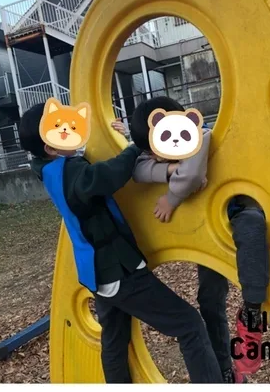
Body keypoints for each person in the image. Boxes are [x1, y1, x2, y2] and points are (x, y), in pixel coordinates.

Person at [19, 102, 223, 383]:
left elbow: (89, 165)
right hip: (118, 270)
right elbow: (107, 176)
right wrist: (133, 148)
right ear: (51, 147)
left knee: (114, 340)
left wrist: (118, 136)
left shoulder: (50, 169)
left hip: (97, 273)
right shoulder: (72, 175)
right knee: (189, 325)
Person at [118, 96, 270, 382]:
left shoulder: (201, 134)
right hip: (206, 231)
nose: (155, 157)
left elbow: (192, 175)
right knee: (210, 299)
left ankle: (251, 314)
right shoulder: (162, 154)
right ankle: (225, 369)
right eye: (152, 152)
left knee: (252, 228)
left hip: (237, 212)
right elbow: (136, 170)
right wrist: (169, 169)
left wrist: (172, 197)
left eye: (155, 151)